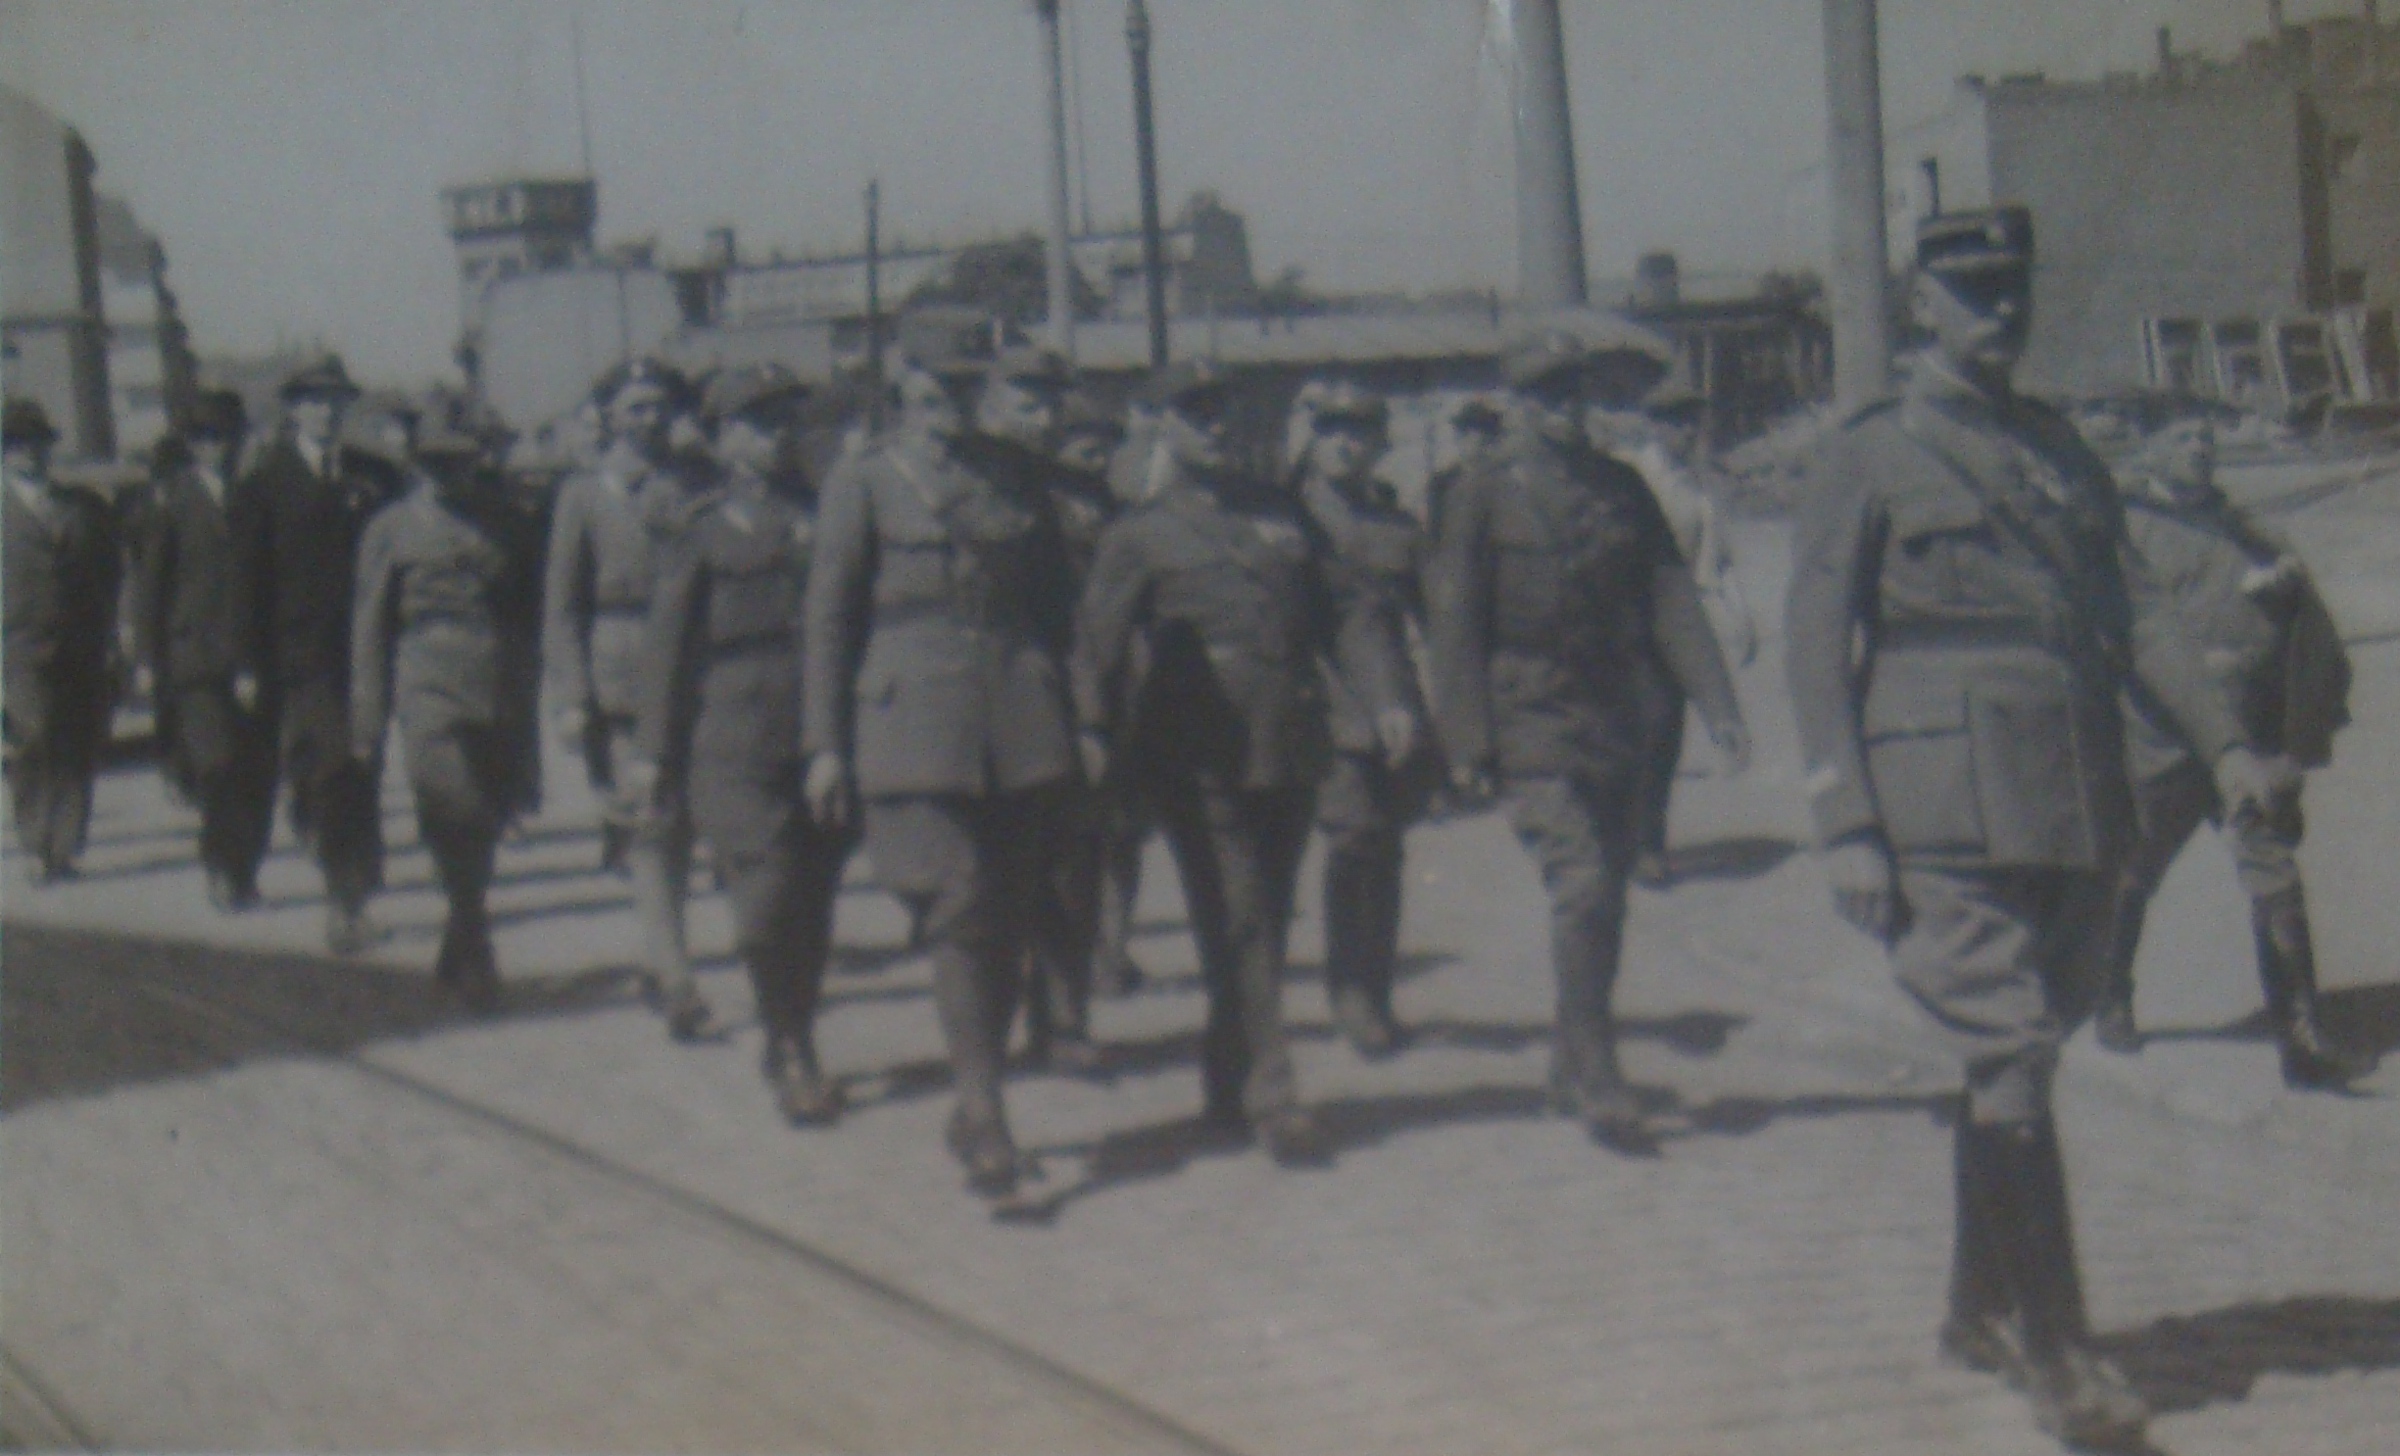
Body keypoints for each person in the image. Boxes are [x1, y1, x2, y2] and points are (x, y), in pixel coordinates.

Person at [1784, 207, 2282, 1450]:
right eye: (1972, 290)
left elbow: (2139, 613)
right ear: (1922, 306)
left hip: (2070, 785)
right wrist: (1845, 818)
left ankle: (1977, 1306)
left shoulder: (2059, 449)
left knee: (2024, 1049)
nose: (2002, 309)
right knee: (2007, 1046)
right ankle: (2061, 1352)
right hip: (1938, 794)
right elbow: (1815, 641)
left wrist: (2224, 744)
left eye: (2015, 286)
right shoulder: (1872, 453)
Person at [1075, 359, 1410, 1168]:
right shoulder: (1140, 533)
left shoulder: (1283, 513)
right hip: (1198, 750)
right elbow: (1096, 645)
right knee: (1241, 916)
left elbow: (1346, 610)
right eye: (1197, 414)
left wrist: (1386, 695)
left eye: (1223, 411)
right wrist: (1092, 733)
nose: (1217, 427)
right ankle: (1273, 1092)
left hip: (1287, 739)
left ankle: (1227, 1079)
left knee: (1263, 914)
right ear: (1161, 426)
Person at [1429, 328, 1750, 1155]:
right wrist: (1464, 741)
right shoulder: (1481, 491)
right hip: (1527, 710)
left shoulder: (1621, 487)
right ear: (1518, 403)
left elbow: (1670, 594)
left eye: (1578, 394)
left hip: (1614, 712)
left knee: (1606, 889)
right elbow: (1455, 619)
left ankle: (1569, 1061)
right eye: (1548, 395)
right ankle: (1601, 1068)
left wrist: (1718, 704)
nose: (1568, 411)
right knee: (1583, 884)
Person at [802, 357, 1082, 1206]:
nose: (948, 409)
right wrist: (824, 744)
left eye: (964, 391)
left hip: (1019, 713)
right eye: (931, 393)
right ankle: (985, 1108)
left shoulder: (1013, 475)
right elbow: (829, 616)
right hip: (912, 719)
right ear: (904, 396)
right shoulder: (863, 480)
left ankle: (975, 1090)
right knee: (960, 902)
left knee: (1007, 915)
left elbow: (1058, 605)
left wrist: (1086, 717)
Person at [2094, 405, 2368, 1089]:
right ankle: (2110, 992)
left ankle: (2301, 1036)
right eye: (2182, 436)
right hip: (2162, 739)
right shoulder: (2126, 531)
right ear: (2147, 448)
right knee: (2134, 869)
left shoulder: (2249, 529)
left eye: (2206, 438)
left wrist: (2285, 593)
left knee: (2273, 870)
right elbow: (2117, 633)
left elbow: (2304, 630)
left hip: (2249, 739)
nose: (2200, 447)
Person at [634, 364, 853, 1125]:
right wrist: (652, 754)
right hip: (729, 732)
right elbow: (665, 647)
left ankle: (794, 1030)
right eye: (759, 423)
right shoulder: (698, 529)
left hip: (818, 725)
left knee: (813, 896)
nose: (777, 436)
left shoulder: (823, 512)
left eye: (783, 420)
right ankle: (788, 1040)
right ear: (724, 437)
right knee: (763, 897)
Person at [543, 358, 715, 1039]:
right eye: (636, 406)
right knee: (648, 821)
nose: (650, 419)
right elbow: (563, 606)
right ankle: (676, 978)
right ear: (610, 415)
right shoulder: (584, 494)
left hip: (691, 669)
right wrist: (572, 694)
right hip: (620, 673)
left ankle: (661, 953)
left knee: (679, 825)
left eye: (659, 405)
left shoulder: (692, 483)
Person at [351, 416, 541, 1010]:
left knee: (484, 814)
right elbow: (370, 626)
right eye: (436, 461)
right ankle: (475, 939)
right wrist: (368, 716)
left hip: (495, 681)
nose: (449, 473)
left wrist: (530, 706)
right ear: (417, 464)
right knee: (450, 804)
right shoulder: (390, 528)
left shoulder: (508, 520)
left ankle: (462, 926)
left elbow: (526, 618)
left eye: (460, 460)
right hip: (425, 680)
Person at [971, 350, 1113, 1076]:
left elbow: (1076, 611)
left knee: (1070, 861)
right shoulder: (961, 481)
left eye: (1051, 404)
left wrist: (1089, 711)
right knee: (986, 869)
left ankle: (1061, 1015)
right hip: (974, 694)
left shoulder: (1074, 492)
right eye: (1026, 404)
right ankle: (983, 1024)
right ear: (986, 405)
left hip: (1055, 686)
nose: (1044, 419)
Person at [236, 355, 402, 952]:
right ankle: (343, 902)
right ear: (293, 409)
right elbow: (246, 580)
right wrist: (247, 663)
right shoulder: (263, 485)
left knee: (361, 769)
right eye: (313, 401)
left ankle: (349, 885)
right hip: (299, 656)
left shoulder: (375, 477)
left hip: (367, 650)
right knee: (335, 769)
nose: (326, 412)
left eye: (335, 401)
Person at [1292, 380, 1434, 1057]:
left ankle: (1371, 989)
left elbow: (1433, 617)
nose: (1345, 445)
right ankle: (1348, 994)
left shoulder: (1398, 526)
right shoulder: (1286, 515)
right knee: (1351, 837)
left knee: (1382, 843)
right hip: (1312, 699)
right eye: (1331, 431)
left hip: (1390, 700)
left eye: (1360, 433)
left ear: (1381, 443)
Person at [133, 389, 276, 910]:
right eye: (204, 438)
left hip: (254, 660)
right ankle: (219, 867)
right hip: (194, 659)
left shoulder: (256, 499)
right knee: (217, 767)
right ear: (191, 445)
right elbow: (151, 585)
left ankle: (245, 870)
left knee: (257, 773)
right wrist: (146, 658)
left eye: (224, 437)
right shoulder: (173, 502)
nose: (216, 447)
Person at [1622, 382, 1759, 888]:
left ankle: (1648, 843)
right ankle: (1625, 842)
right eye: (1675, 422)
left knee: (1664, 730)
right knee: (1632, 729)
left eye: (1691, 423)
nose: (1686, 433)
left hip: (1677, 621)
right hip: (1625, 620)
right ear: (1654, 426)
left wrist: (1741, 616)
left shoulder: (1698, 487)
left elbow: (1714, 561)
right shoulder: (1632, 476)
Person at [1059, 394, 1154, 1000]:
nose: (1096, 459)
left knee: (1124, 829)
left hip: (1126, 686)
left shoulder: (1126, 515)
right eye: (1083, 447)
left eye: (1104, 447)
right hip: (1066, 686)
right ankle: (1076, 953)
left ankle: (1113, 947)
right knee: (1072, 833)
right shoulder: (1041, 516)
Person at [3, 398, 121, 883]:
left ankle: (66, 847)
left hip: (81, 644)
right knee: (33, 739)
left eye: (37, 443)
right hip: (19, 648)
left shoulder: (83, 506)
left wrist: (111, 637)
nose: (29, 453)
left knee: (77, 743)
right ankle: (35, 844)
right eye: (16, 445)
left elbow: (109, 573)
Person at [1424, 394, 1505, 543]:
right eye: (1463, 432)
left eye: (1489, 435)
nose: (1465, 439)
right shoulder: (1441, 482)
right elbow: (1433, 530)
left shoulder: (1503, 482)